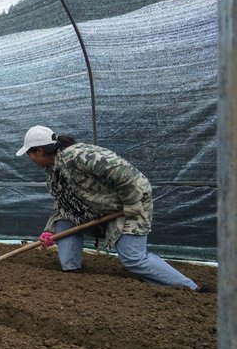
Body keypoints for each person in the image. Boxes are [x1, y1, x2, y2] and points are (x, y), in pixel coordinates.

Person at [16, 125, 203, 291]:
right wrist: (49, 231)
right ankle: (72, 271)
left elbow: (125, 174)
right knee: (64, 220)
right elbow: (63, 205)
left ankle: (191, 289)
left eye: (29, 154)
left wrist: (131, 204)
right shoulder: (55, 172)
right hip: (101, 211)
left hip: (131, 204)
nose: (30, 159)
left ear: (39, 151)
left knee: (133, 259)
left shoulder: (78, 155)